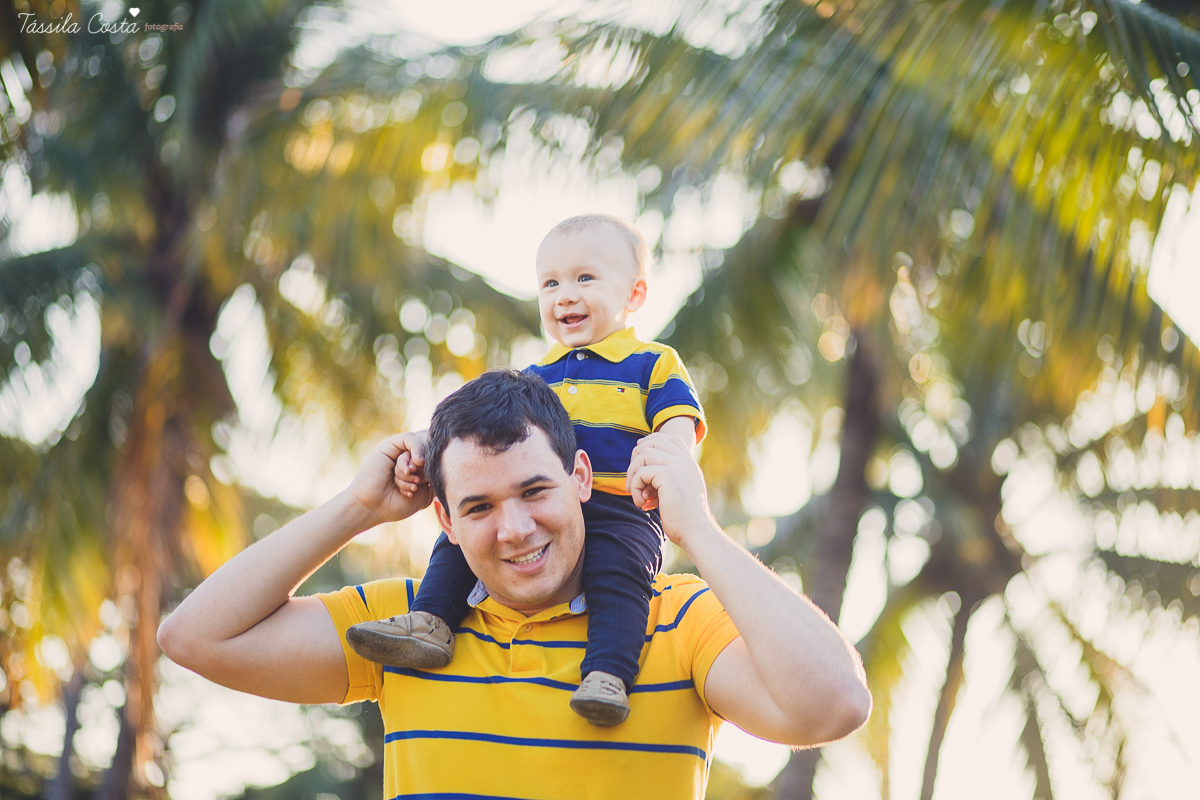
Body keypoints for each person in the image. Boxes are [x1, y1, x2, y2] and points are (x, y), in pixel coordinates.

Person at [157, 369, 871, 800]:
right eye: (479, 507)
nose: (516, 529)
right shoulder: (407, 627)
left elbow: (833, 705)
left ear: (583, 478)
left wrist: (701, 535)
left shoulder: (678, 620)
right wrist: (358, 509)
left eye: (535, 491)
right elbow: (194, 638)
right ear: (442, 517)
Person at [346, 214, 705, 725]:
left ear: (635, 294)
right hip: (545, 500)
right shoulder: (535, 376)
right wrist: (426, 447)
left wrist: (665, 454)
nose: (565, 295)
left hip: (624, 507)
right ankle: (430, 620)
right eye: (550, 283)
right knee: (458, 538)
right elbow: (477, 429)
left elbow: (680, 422)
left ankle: (607, 674)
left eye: (585, 279)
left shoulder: (652, 363)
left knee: (619, 575)